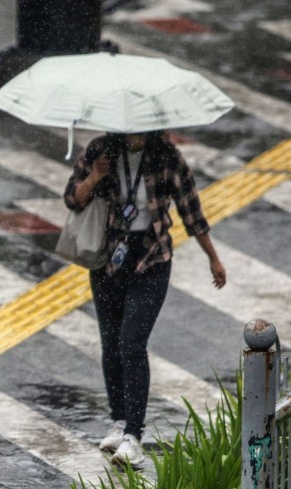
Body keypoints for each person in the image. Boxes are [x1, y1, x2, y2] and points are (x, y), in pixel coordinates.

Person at [64, 131, 227, 467]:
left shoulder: (167, 156)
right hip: (108, 258)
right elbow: (72, 199)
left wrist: (213, 258)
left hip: (151, 258)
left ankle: (134, 436)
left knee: (132, 342)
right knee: (110, 342)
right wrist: (96, 175)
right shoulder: (100, 149)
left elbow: (191, 211)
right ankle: (119, 422)